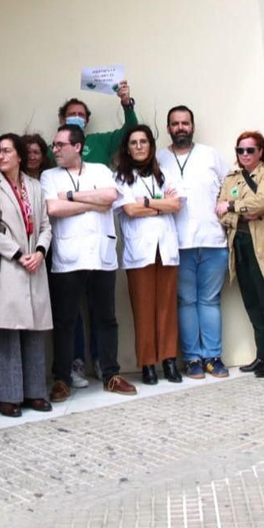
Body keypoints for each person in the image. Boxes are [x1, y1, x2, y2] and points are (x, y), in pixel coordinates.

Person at [42, 124, 134, 400]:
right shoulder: (49, 175)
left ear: (77, 147)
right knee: (66, 320)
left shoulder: (101, 170)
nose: (54, 149)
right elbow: (53, 208)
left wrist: (71, 196)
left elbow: (110, 197)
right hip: (67, 258)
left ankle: (111, 374)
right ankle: (61, 378)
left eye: (60, 145)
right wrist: (93, 203)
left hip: (101, 255)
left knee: (106, 317)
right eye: (54, 145)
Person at [0, 133, 54, 417]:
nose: (1, 156)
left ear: (20, 156)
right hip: (8, 263)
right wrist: (19, 254)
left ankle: (35, 392)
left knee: (34, 330)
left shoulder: (34, 185)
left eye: (7, 151)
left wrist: (40, 252)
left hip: (35, 262)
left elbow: (45, 224)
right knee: (5, 329)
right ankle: (7, 396)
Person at [156, 106, 232, 380]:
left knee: (210, 301)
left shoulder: (210, 155)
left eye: (185, 123)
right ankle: (192, 359)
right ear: (168, 128)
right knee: (186, 301)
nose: (180, 128)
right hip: (177, 243)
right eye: (175, 124)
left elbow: (231, 184)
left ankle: (213, 356)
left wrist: (228, 203)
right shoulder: (158, 158)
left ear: (192, 126)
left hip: (213, 240)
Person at [113, 124, 183, 385]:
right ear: (127, 148)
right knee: (143, 309)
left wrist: (145, 202)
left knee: (167, 307)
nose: (139, 146)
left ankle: (169, 360)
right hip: (139, 252)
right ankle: (148, 364)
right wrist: (158, 206)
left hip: (165, 249)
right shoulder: (120, 178)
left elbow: (175, 204)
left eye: (143, 142)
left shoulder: (165, 174)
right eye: (134, 143)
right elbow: (129, 210)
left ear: (151, 146)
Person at [216, 133, 264, 378]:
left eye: (250, 150)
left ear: (260, 151)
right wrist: (239, 211)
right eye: (240, 150)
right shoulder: (232, 178)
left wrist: (233, 206)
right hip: (240, 245)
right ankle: (262, 355)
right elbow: (220, 211)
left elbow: (262, 202)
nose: (245, 155)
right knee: (252, 303)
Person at [58, 80, 138, 167]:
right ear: (62, 120)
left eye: (81, 115)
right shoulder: (53, 149)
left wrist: (126, 103)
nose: (77, 117)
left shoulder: (100, 141)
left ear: (86, 121)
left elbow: (132, 132)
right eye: (72, 114)